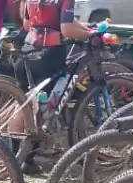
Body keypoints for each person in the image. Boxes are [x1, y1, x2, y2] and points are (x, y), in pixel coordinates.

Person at [9, 0, 94, 174]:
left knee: (25, 104)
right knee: (44, 108)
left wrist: (86, 28)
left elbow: (27, 23)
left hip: (27, 50)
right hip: (49, 56)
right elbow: (67, 29)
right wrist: (91, 35)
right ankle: (25, 160)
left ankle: (14, 155)